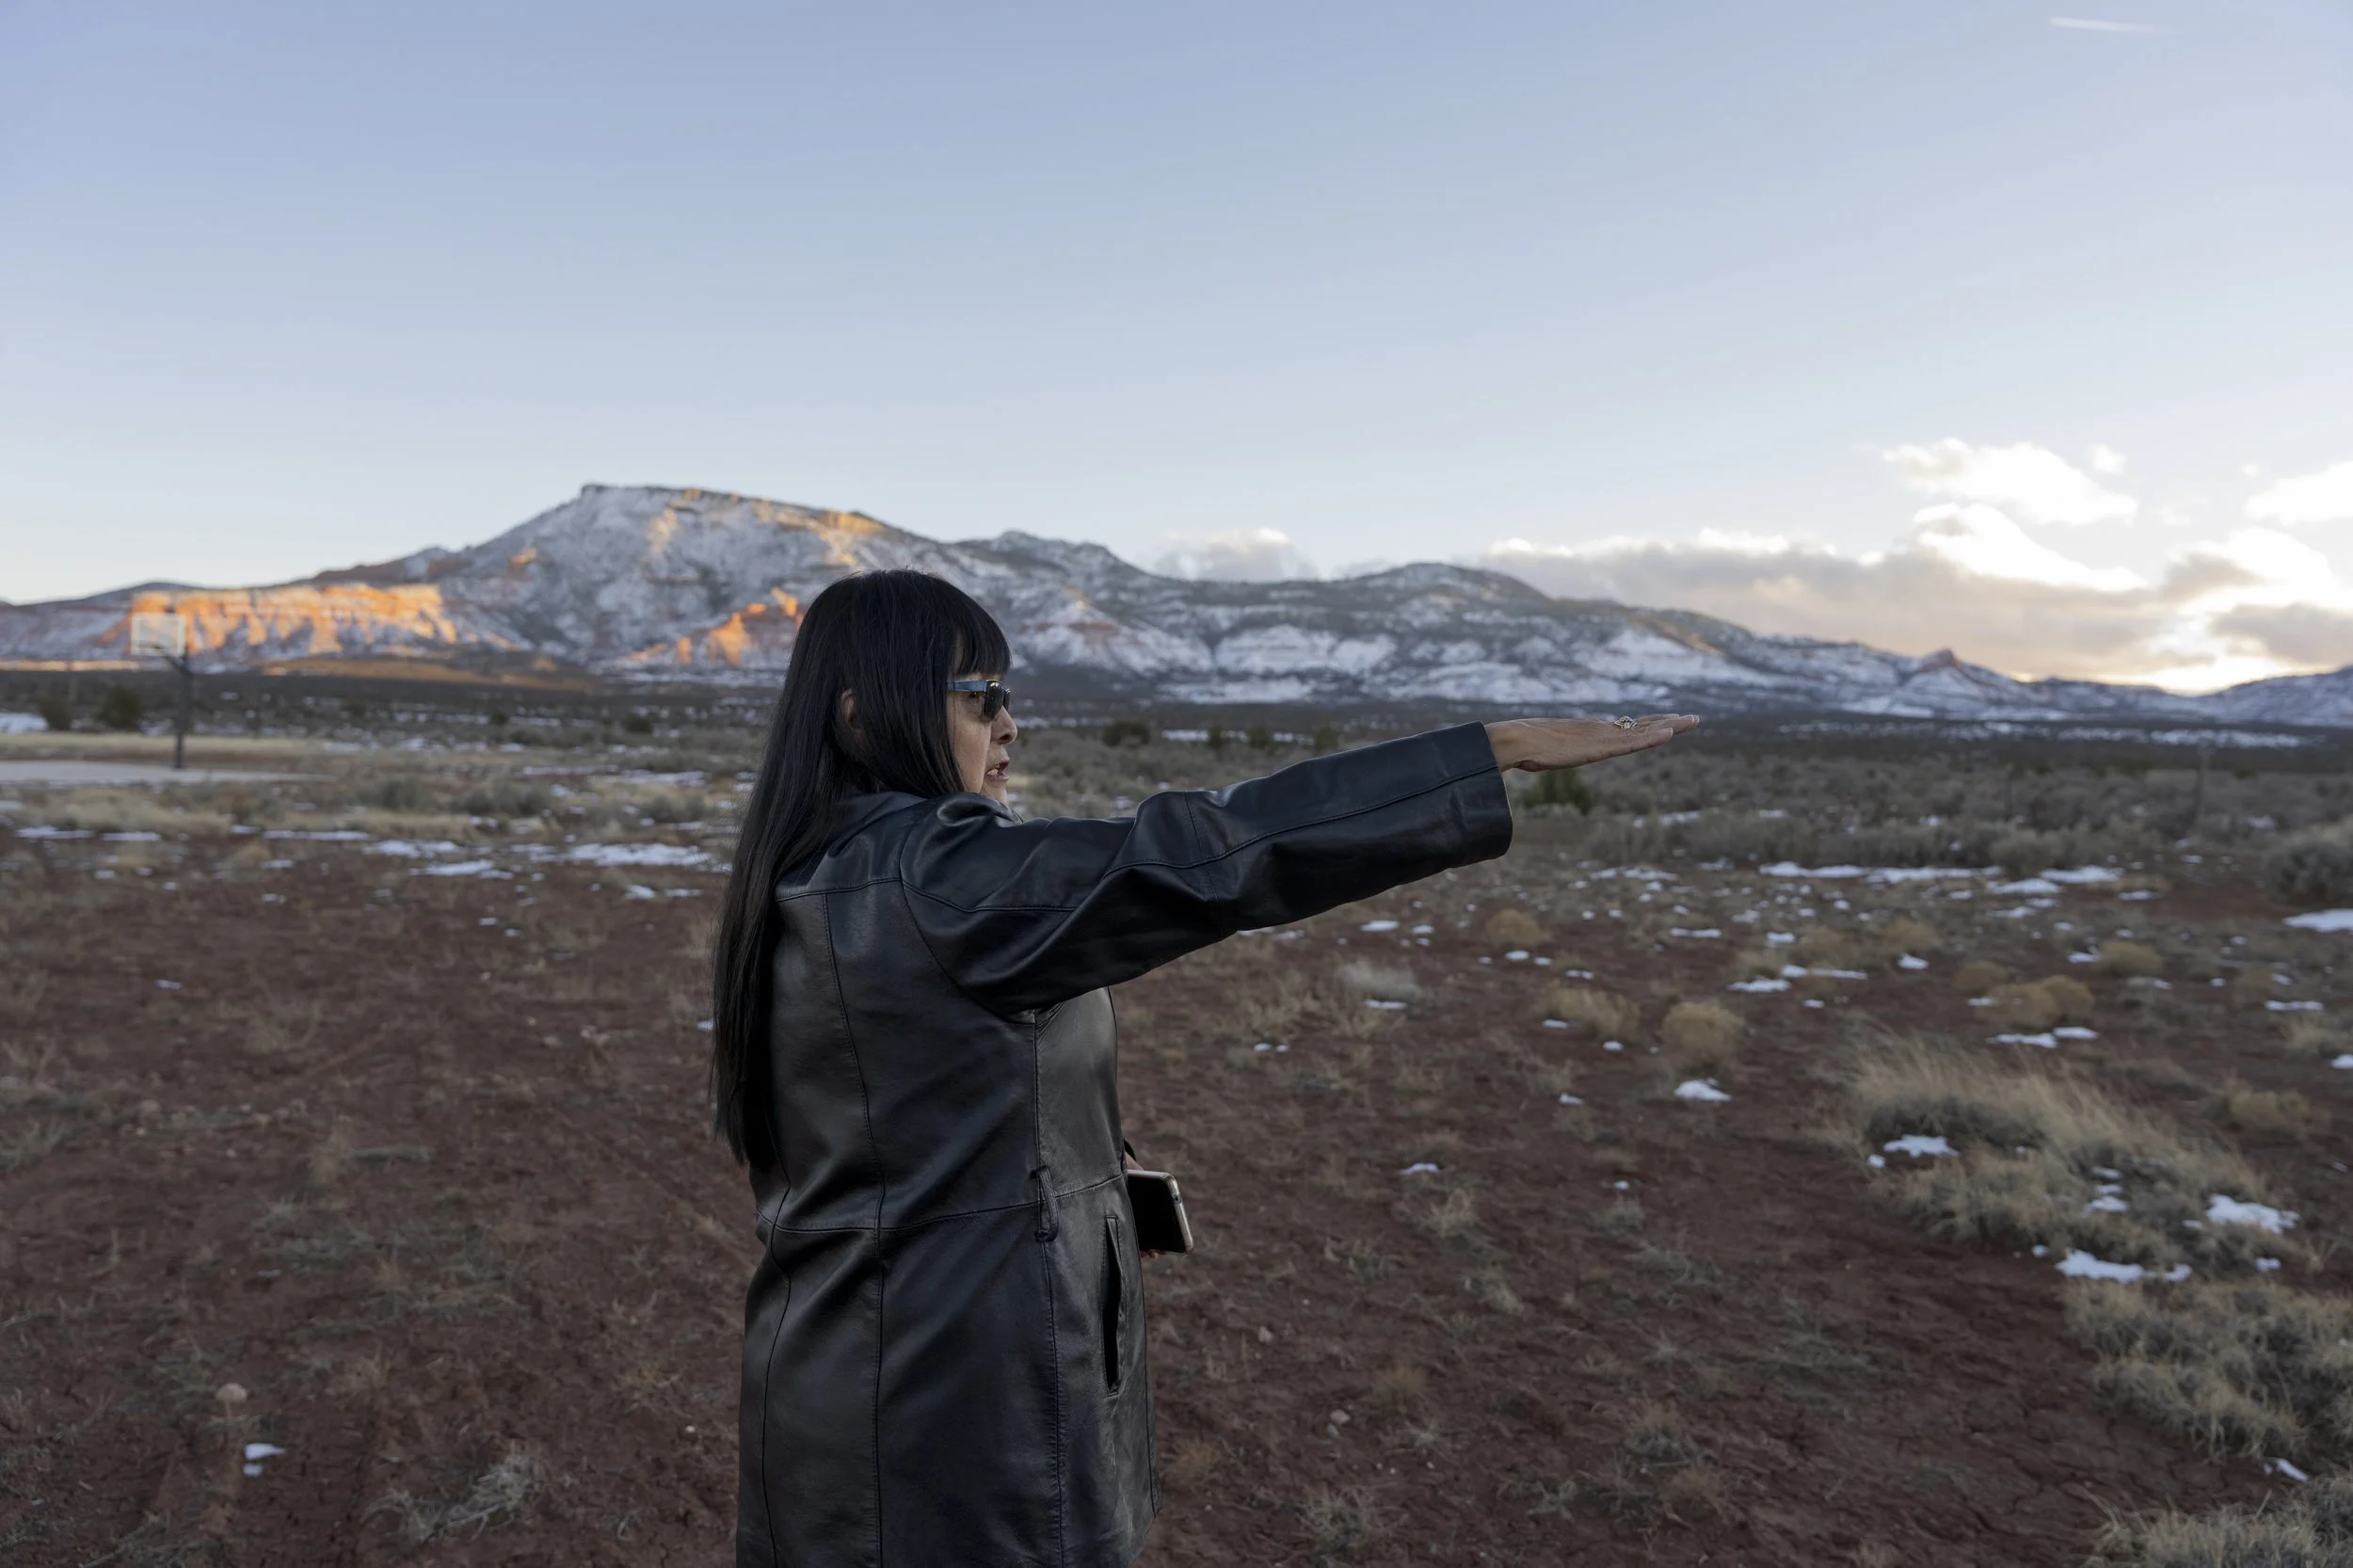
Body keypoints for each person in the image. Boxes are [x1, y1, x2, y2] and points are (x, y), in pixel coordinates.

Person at [710, 569, 1695, 1568]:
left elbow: (920, 1112)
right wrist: (1482, 755)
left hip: (862, 1390)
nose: (1009, 724)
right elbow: (1200, 855)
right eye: (980, 695)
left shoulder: (824, 873)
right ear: (862, 717)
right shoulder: (935, 880)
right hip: (953, 1428)